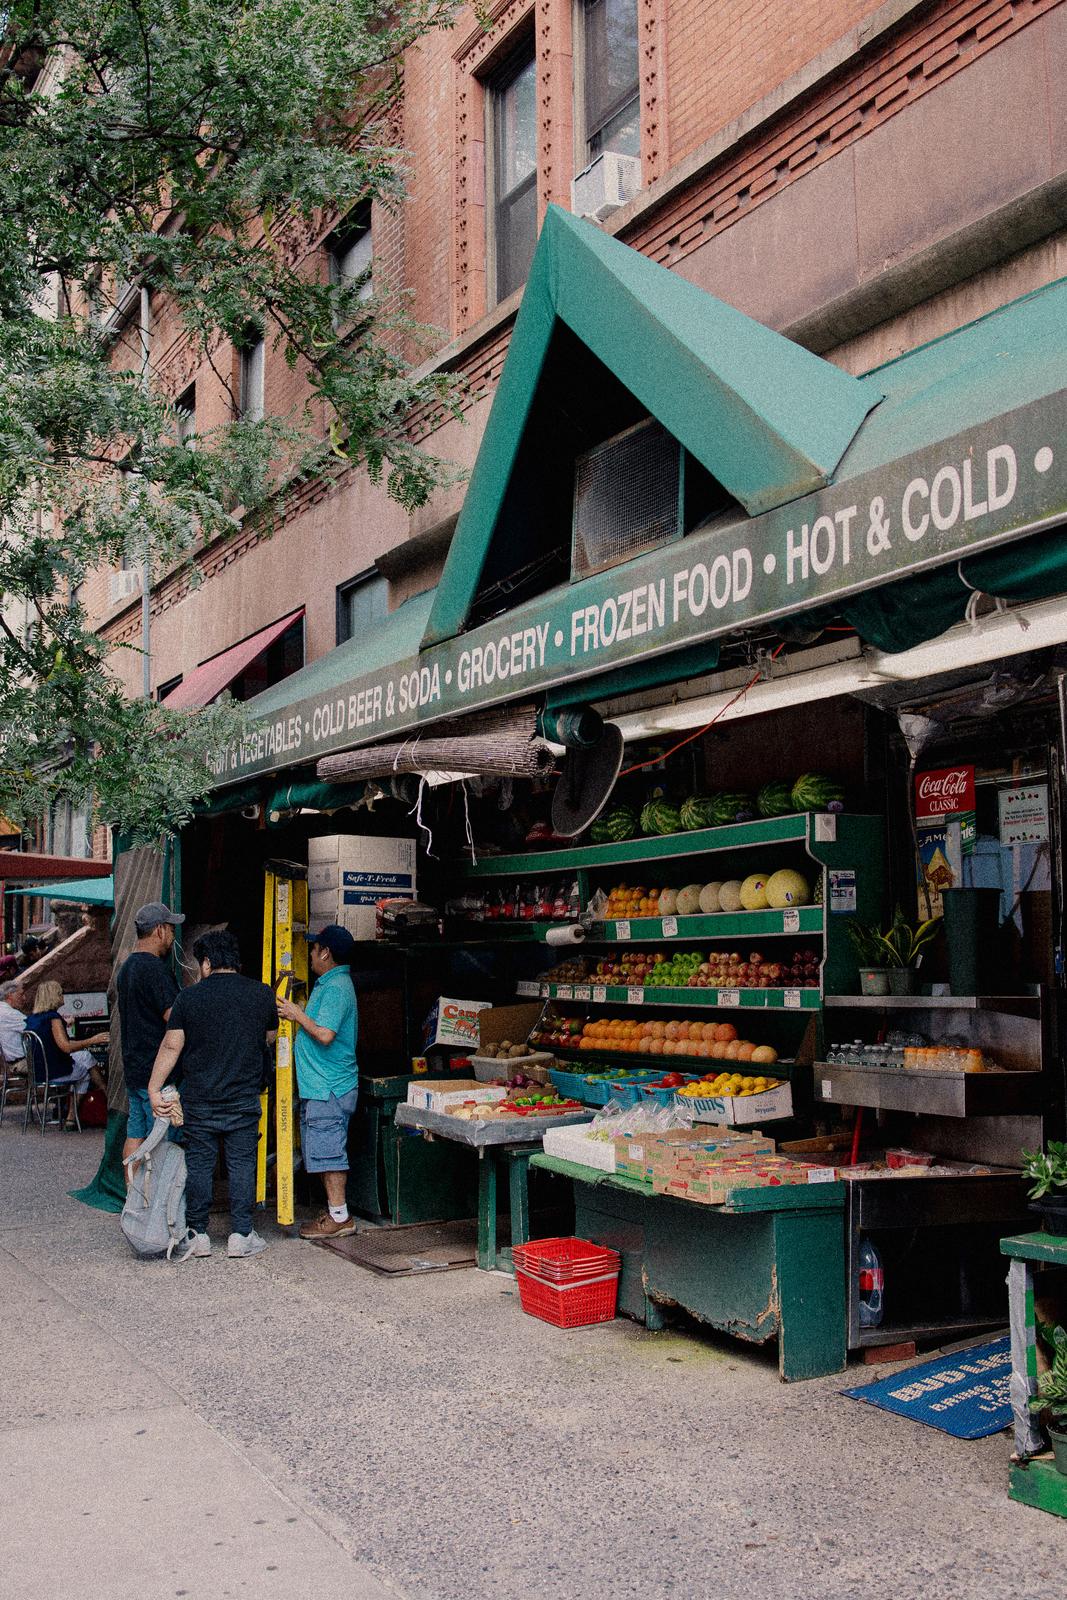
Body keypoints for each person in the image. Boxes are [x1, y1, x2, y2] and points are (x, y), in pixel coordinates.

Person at [147, 929, 278, 1262]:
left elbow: (171, 1044)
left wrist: (153, 1087)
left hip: (200, 1100)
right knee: (241, 1165)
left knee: (201, 1165)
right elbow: (270, 1036)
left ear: (206, 962)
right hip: (244, 1097)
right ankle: (241, 1235)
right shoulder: (261, 994)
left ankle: (198, 1235)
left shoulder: (188, 999)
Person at [276, 923, 359, 1241]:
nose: (310, 953)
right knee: (325, 1152)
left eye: (314, 948)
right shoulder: (330, 984)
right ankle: (337, 1212)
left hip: (330, 1087)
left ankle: (341, 1217)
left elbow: (325, 1035)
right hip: (322, 1086)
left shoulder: (338, 988)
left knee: (330, 1153)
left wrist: (297, 1014)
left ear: (325, 952)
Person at [116, 901, 183, 1166]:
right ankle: (156, 1201)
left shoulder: (127, 968)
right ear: (159, 930)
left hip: (134, 1067)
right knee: (163, 1138)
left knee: (136, 1134)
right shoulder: (154, 969)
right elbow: (174, 1017)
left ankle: (132, 1196)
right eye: (171, 929)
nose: (173, 937)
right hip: (159, 1072)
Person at [23, 980, 109, 1128]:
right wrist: (92, 1040)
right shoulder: (53, 1018)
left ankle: (73, 1116)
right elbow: (66, 1047)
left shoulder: (32, 1019)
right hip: (55, 1072)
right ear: (54, 996)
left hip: (38, 1072)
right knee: (86, 1067)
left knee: (85, 1058)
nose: (63, 996)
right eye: (60, 993)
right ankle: (103, 1097)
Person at [0, 979, 26, 1065]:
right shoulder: (10, 1013)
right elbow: (35, 1029)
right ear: (10, 995)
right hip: (20, 1062)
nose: (24, 998)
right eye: (21, 994)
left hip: (6, 1063)